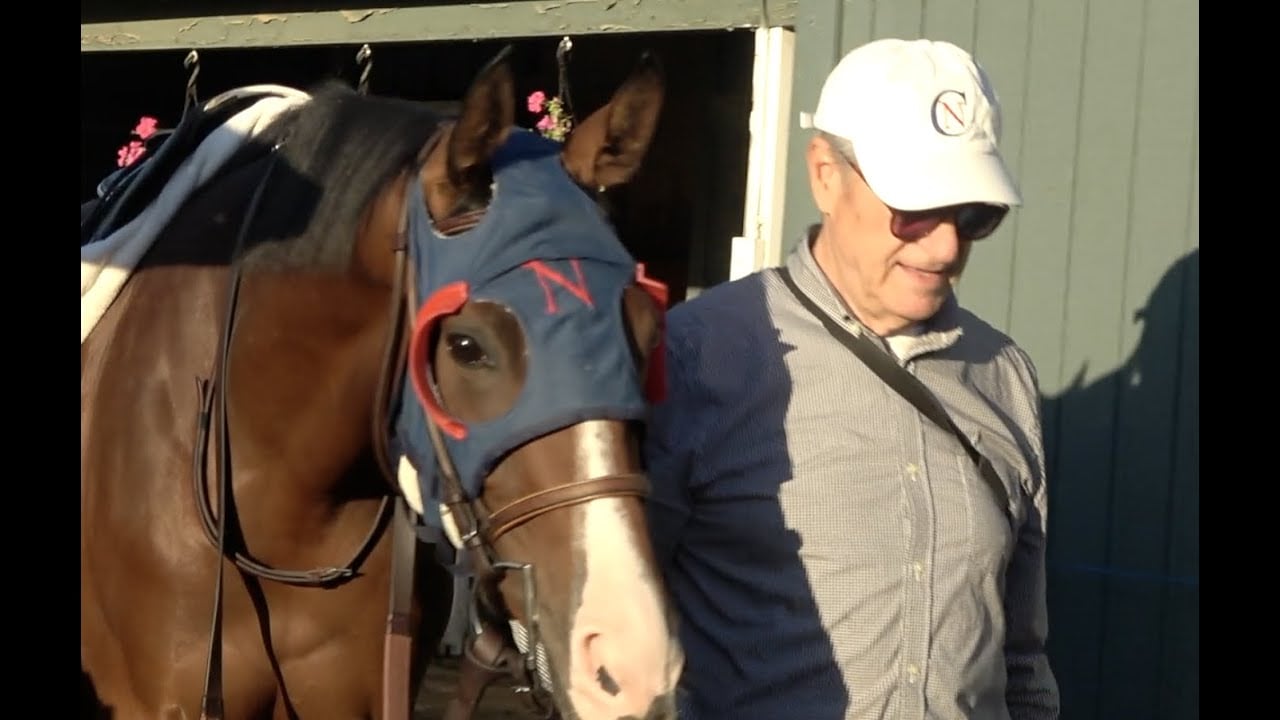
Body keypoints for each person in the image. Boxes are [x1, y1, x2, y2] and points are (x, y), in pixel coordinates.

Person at [643, 38, 1061, 719]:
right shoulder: (697, 357)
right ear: (825, 175)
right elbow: (594, 628)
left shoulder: (1004, 376)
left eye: (975, 215)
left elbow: (1020, 655)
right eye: (916, 207)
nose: (947, 245)